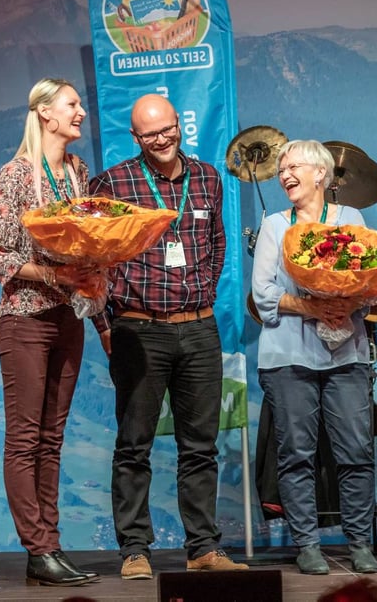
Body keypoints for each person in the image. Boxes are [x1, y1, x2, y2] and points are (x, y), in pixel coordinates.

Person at [89, 93, 247, 579]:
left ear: (180, 125)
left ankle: (203, 546)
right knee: (134, 444)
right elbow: (92, 258)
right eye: (149, 134)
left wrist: (201, 292)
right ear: (135, 138)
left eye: (167, 130)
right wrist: (106, 321)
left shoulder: (206, 177)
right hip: (138, 329)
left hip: (198, 328)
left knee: (200, 446)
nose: (161, 140)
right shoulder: (113, 182)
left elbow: (217, 244)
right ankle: (135, 549)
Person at [0, 78, 103, 587]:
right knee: (26, 438)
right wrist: (59, 276)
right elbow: (2, 254)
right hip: (26, 318)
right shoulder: (16, 175)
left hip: (67, 317)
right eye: (72, 104)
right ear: (44, 114)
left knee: (52, 439)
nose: (81, 112)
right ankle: (38, 550)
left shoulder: (78, 173)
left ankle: (50, 549)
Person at [251, 139, 377, 576]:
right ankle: (306, 544)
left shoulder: (351, 219)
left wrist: (348, 301)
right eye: (281, 168)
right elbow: (263, 292)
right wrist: (309, 306)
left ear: (321, 174)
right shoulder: (273, 225)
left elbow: (368, 280)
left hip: (346, 354)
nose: (284, 174)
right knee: (296, 453)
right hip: (287, 355)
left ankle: (360, 541)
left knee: (356, 451)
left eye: (293, 166)